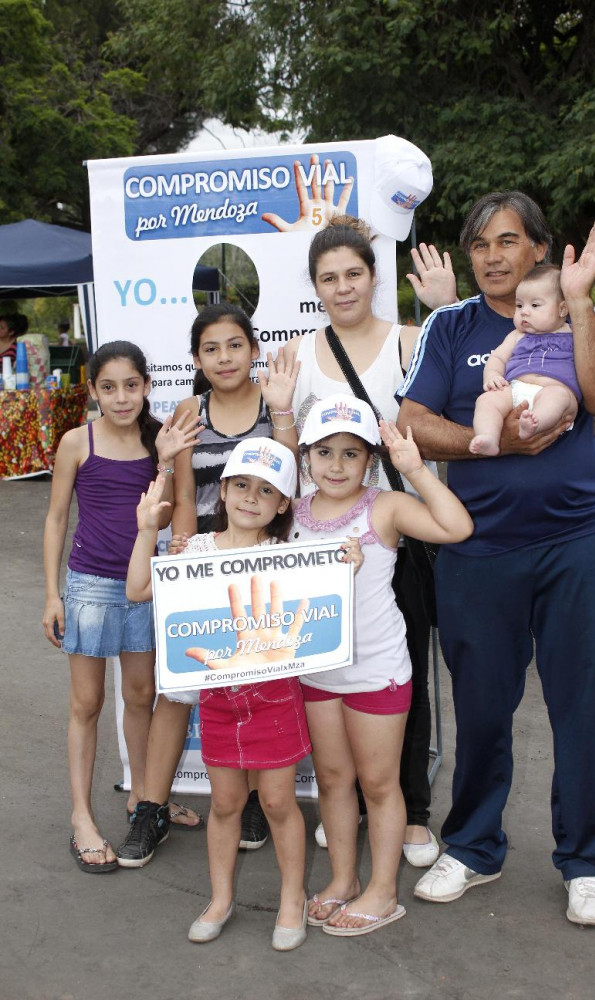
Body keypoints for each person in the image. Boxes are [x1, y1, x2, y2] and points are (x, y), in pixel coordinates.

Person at [396, 191, 595, 927]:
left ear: (536, 248)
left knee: (581, 708)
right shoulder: (453, 327)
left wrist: (581, 301)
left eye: (506, 241)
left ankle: (585, 862)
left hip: (574, 544)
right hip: (478, 550)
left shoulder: (572, 317)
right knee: (483, 708)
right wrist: (480, 440)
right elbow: (413, 422)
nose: (492, 256)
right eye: (478, 245)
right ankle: (472, 846)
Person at [125, 440, 333, 949]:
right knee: (225, 803)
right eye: (241, 485)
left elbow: (325, 601)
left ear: (284, 504)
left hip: (275, 697)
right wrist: (148, 529)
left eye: (267, 491)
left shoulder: (286, 556)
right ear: (222, 490)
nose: (250, 498)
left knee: (280, 802)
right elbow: (136, 589)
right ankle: (220, 899)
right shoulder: (191, 550)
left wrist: (342, 562)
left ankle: (291, 902)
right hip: (220, 702)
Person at [115, 304, 300, 867]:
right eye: (212, 349)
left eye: (235, 345)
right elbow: (188, 498)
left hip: (264, 563)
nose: (225, 358)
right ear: (196, 358)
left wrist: (285, 412)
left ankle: (245, 800)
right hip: (205, 562)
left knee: (254, 679)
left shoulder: (274, 400)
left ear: (253, 348)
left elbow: (291, 480)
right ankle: (151, 807)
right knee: (180, 688)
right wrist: (189, 559)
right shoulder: (189, 409)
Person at [285, 215, 444, 867]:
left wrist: (446, 308)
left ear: (374, 278)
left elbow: (478, 377)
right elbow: (287, 448)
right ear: (315, 287)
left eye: (353, 274)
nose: (342, 287)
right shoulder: (297, 352)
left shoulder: (413, 341)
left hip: (397, 532)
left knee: (400, 666)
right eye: (329, 278)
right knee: (330, 668)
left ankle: (411, 808)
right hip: (325, 541)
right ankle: (345, 803)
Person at [294, 394, 473, 936]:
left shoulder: (384, 508)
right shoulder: (294, 511)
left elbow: (456, 527)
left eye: (351, 454)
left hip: (376, 671)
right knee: (332, 780)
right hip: (316, 672)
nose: (336, 465)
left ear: (370, 460)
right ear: (305, 457)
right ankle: (345, 878)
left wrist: (414, 468)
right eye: (324, 452)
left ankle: (382, 890)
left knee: (378, 783)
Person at [42, 340, 201, 872]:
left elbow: (172, 508)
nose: (121, 397)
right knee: (86, 704)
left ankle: (141, 798)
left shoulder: (163, 441)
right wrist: (51, 594)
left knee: (140, 695)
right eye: (108, 387)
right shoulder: (76, 442)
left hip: (143, 585)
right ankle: (81, 818)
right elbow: (57, 519)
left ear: (147, 386)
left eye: (131, 385)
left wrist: (165, 461)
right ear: (92, 391)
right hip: (88, 587)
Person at [470, 264, 595, 455]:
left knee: (556, 398)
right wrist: (491, 376)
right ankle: (488, 437)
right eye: (519, 305)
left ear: (562, 309)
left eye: (535, 305)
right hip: (515, 389)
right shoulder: (517, 335)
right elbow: (497, 358)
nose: (524, 312)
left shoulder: (577, 333)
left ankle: (534, 423)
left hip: (557, 390)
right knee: (486, 401)